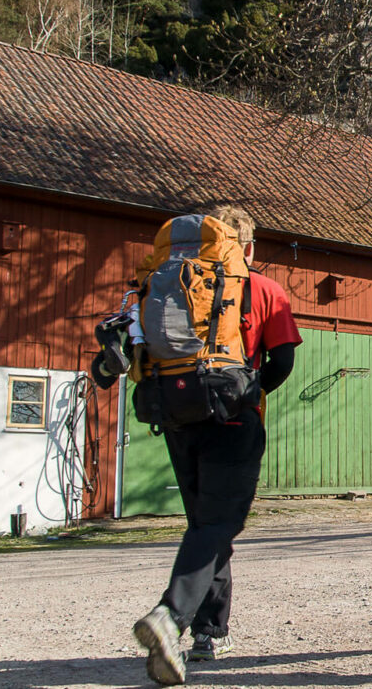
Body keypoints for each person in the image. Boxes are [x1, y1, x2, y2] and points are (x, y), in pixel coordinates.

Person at [95, 204, 302, 686]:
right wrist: (249, 394)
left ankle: (211, 630)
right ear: (246, 247)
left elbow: (121, 351)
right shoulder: (261, 288)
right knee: (218, 522)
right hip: (232, 418)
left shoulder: (156, 284)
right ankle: (171, 617)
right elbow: (284, 360)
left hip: (175, 414)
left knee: (205, 524)